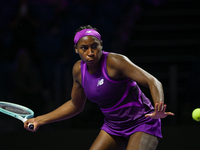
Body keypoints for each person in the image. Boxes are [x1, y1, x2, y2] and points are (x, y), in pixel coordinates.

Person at [24, 25, 174, 150]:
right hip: (114, 127)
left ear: (101, 45)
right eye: (84, 48)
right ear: (76, 49)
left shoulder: (116, 62)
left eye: (94, 46)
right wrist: (39, 120)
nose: (90, 53)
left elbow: (153, 81)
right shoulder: (78, 70)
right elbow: (75, 105)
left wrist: (158, 107)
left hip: (142, 122)